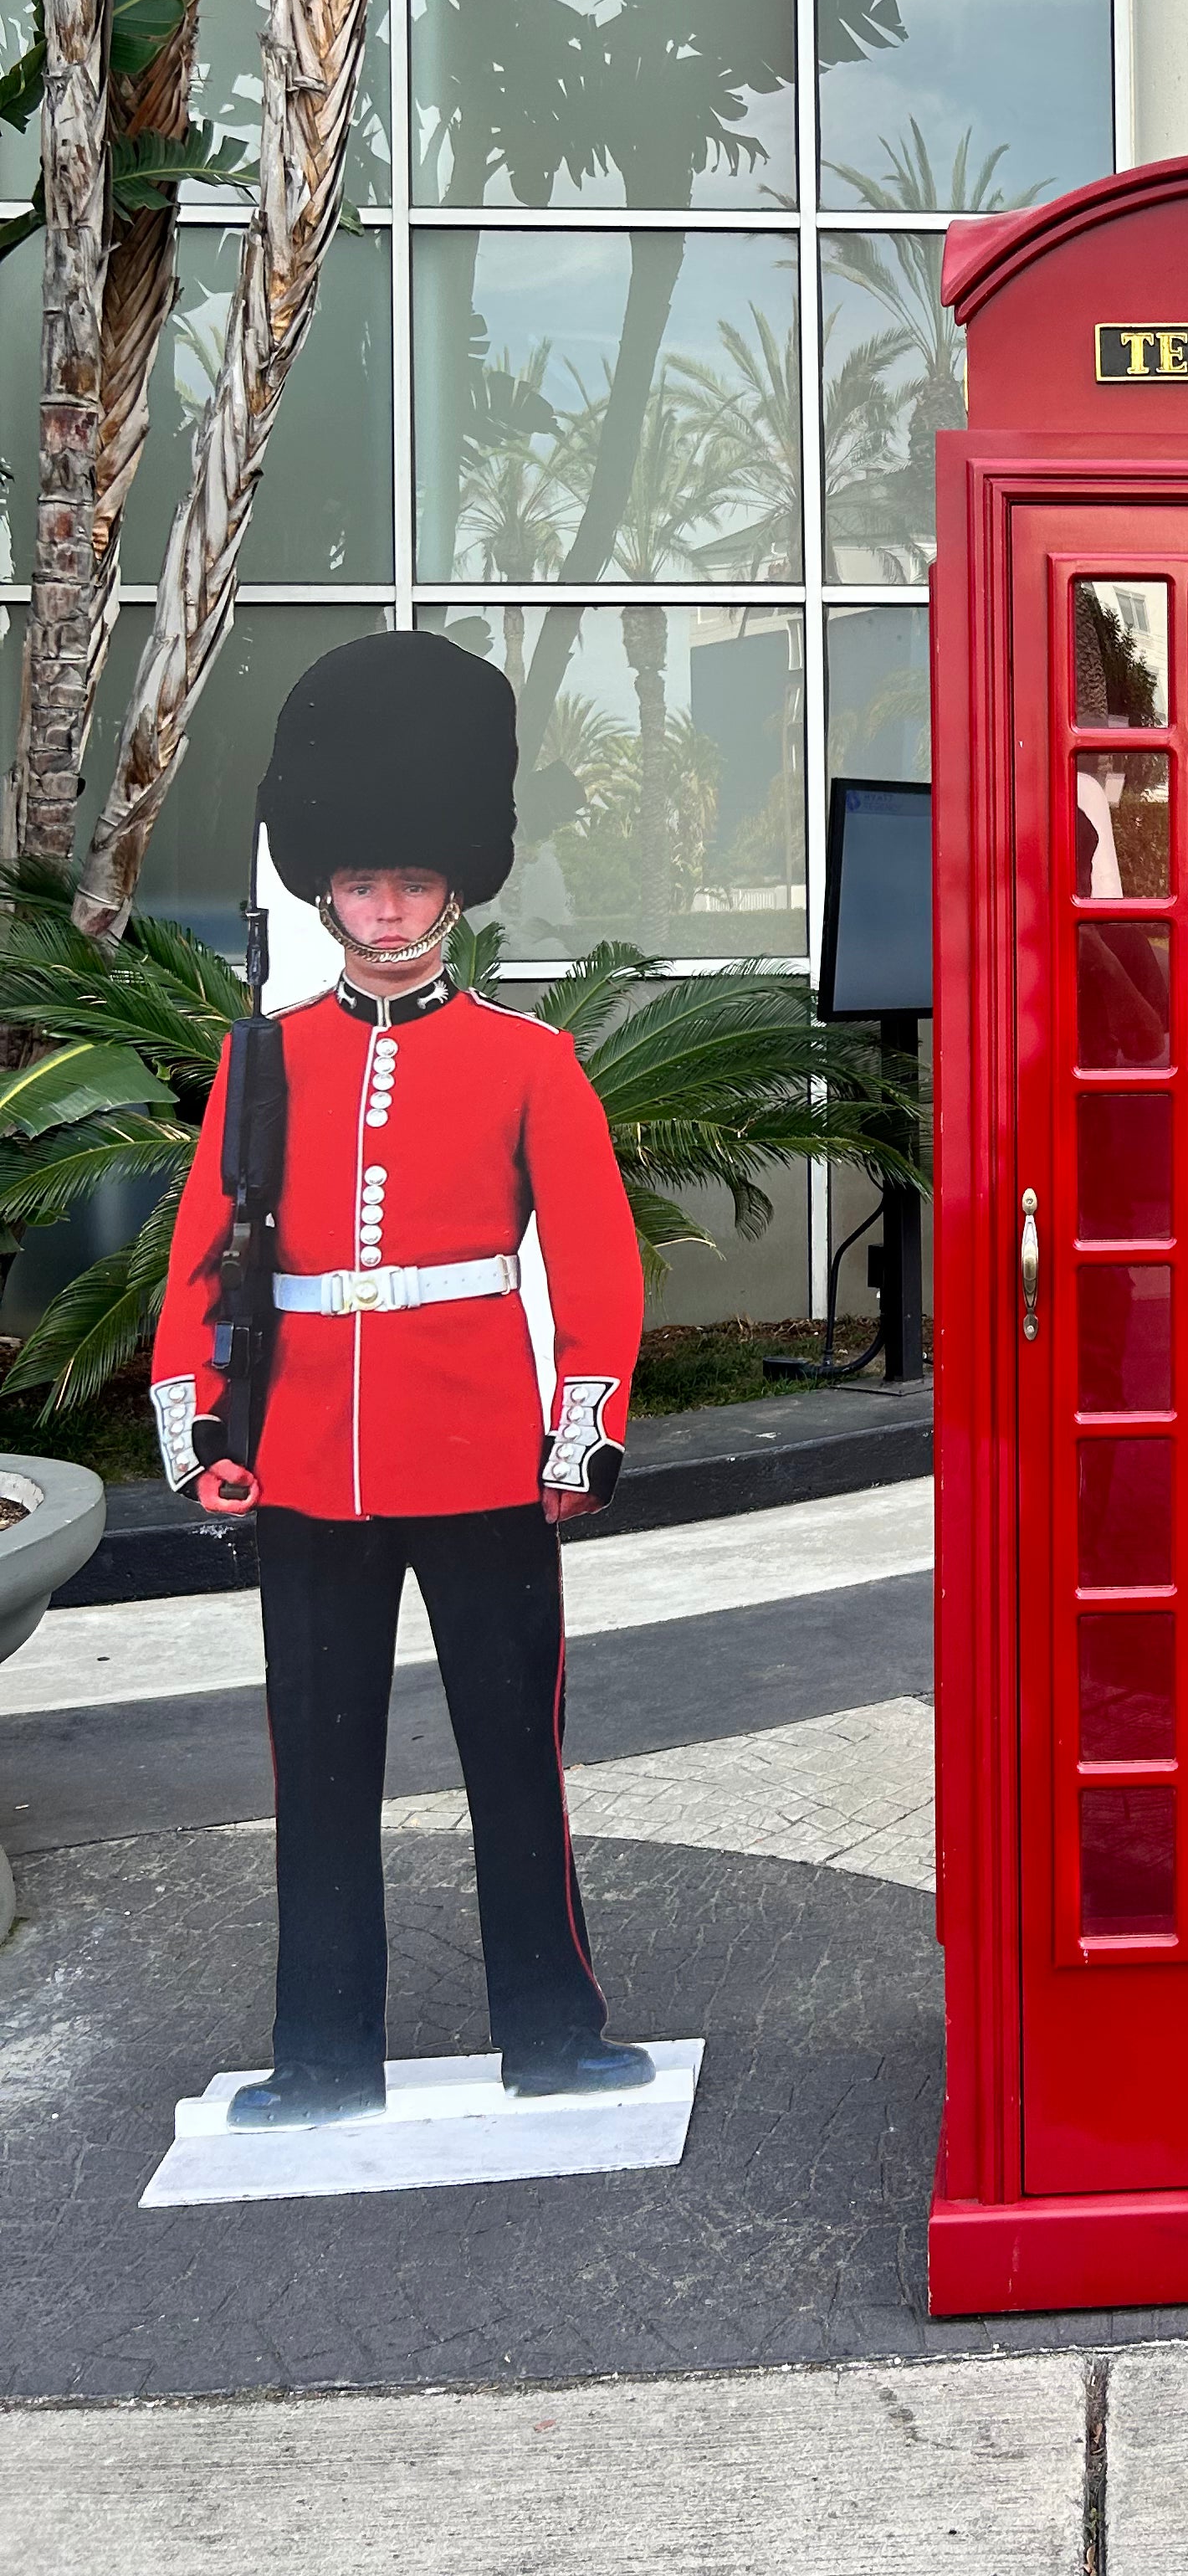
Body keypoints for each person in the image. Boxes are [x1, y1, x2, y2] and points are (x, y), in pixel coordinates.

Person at [148, 630, 653, 2127]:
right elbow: (203, 1260)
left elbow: (598, 1270)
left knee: (515, 1759)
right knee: (317, 1775)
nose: (386, 908)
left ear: (455, 891)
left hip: (484, 1455)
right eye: (364, 882)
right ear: (328, 889)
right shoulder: (264, 1061)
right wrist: (201, 1426)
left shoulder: (528, 1060)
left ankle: (552, 2030)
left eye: (413, 882)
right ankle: (321, 2054)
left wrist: (581, 1430)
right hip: (308, 1458)